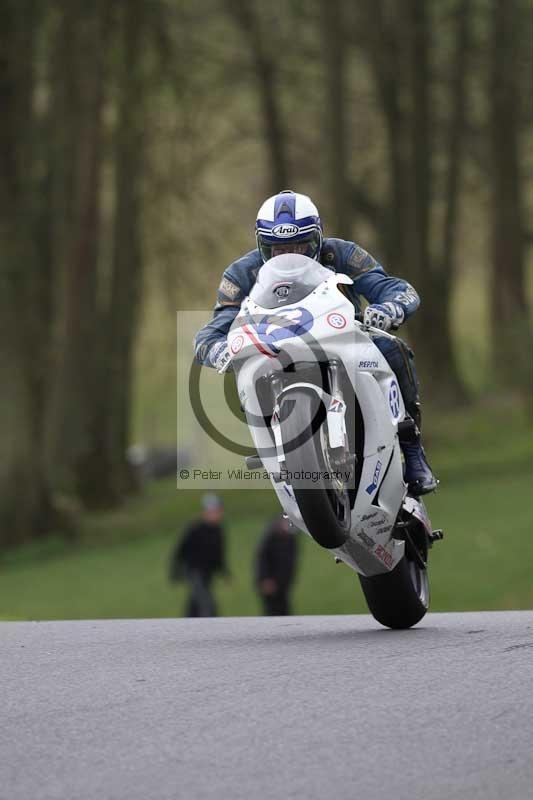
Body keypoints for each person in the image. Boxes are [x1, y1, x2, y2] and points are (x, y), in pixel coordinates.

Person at [194, 189, 437, 495]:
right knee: (247, 373)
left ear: (318, 239)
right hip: (276, 353)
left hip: (343, 341)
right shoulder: (242, 273)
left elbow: (395, 289)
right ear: (261, 245)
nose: (289, 256)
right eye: (277, 250)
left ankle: (412, 447)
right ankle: (277, 450)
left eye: (300, 246)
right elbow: (209, 333)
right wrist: (219, 350)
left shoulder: (342, 254)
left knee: (394, 348)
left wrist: (389, 308)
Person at [169, 494, 229, 617]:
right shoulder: (195, 529)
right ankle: (209, 629)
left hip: (208, 572)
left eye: (217, 511)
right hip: (194, 571)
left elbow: (219, 555)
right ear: (205, 513)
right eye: (211, 512)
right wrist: (175, 571)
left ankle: (187, 624)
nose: (215, 515)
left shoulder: (218, 531)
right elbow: (180, 550)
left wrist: (224, 572)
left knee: (195, 602)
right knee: (207, 604)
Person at [255, 516, 298, 616]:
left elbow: (290, 562)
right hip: (270, 584)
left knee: (284, 612)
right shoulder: (270, 536)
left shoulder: (291, 539)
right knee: (271, 613)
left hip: (283, 584)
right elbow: (262, 559)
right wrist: (265, 579)